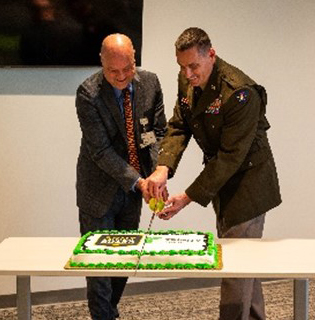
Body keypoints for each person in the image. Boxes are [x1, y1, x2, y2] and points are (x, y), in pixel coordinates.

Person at [146, 27, 281, 320]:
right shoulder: (188, 79)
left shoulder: (239, 92)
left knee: (234, 268)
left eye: (193, 66)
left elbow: (230, 158)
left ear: (211, 54)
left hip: (248, 185)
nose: (187, 74)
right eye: (181, 66)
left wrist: (188, 196)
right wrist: (162, 169)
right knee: (247, 268)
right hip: (222, 181)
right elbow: (179, 125)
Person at [75, 33, 167, 320]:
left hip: (134, 192)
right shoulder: (88, 93)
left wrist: (157, 174)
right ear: (101, 63)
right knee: (100, 268)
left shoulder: (150, 83)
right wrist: (140, 182)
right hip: (99, 191)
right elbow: (100, 151)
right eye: (113, 71)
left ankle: (108, 314)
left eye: (127, 68)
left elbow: (159, 132)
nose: (122, 76)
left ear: (134, 58)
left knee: (125, 261)